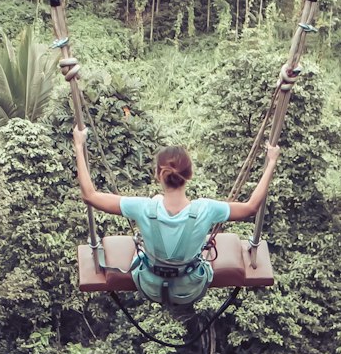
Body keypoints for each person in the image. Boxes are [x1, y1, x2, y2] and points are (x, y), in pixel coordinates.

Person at [72, 128, 280, 308]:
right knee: (204, 255)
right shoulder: (206, 209)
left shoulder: (143, 207)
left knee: (140, 254)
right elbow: (251, 207)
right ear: (189, 175)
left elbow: (90, 196)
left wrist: (79, 148)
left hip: (150, 287)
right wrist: (271, 163)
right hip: (190, 289)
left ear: (158, 174)